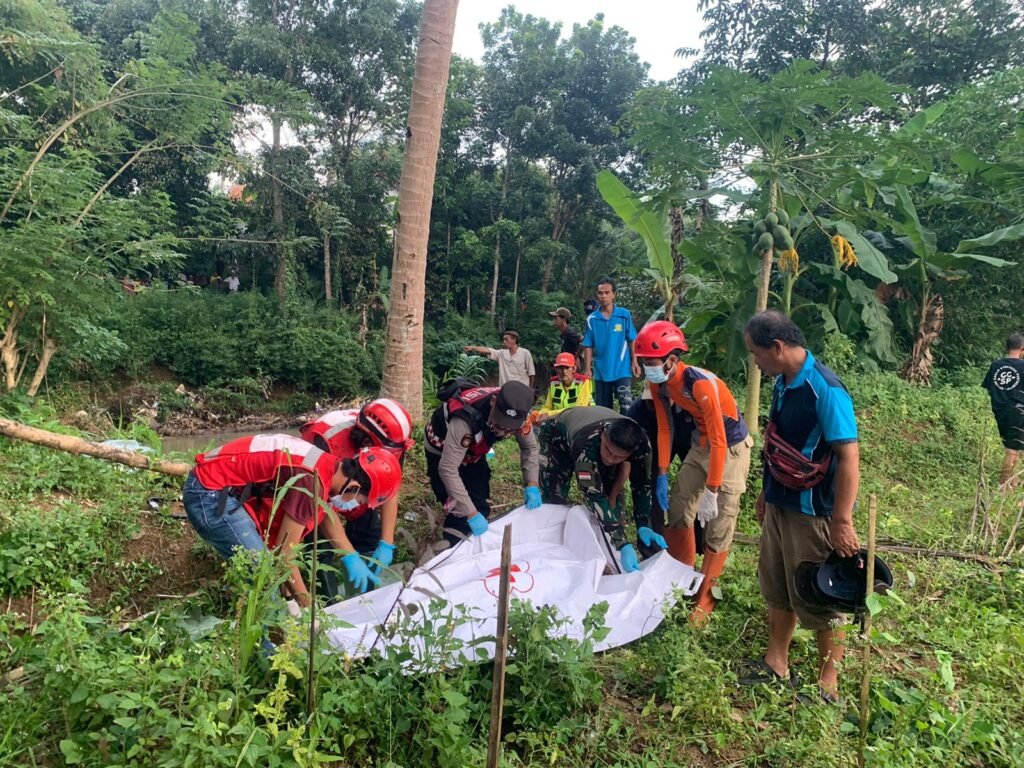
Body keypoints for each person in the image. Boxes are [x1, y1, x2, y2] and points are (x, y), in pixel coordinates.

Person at [741, 310, 860, 701]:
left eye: (757, 353)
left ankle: (829, 685)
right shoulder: (783, 382)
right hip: (780, 502)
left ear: (777, 347)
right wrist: (766, 491)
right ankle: (776, 663)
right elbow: (777, 444)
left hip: (812, 512)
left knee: (819, 593)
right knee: (778, 586)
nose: (755, 362)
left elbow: (848, 457)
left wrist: (842, 520)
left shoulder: (825, 388)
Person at [182, 434, 403, 608]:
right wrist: (308, 609)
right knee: (264, 579)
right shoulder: (312, 481)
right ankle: (267, 649)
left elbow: (323, 512)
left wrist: (350, 556)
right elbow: (284, 557)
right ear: (353, 487)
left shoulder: (327, 467)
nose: (355, 506)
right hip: (208, 493)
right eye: (360, 501)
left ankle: (282, 622)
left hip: (220, 485)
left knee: (273, 580)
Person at [635, 320, 753, 624]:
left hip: (730, 448)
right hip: (701, 445)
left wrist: (712, 490)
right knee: (678, 506)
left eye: (652, 361)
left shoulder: (700, 384)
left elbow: (720, 440)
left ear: (672, 359)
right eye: (644, 361)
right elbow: (664, 428)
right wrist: (662, 472)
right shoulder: (659, 384)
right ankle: (681, 576)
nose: (647, 367)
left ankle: (706, 596)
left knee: (719, 523)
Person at [300, 398, 415, 595]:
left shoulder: (394, 445)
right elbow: (320, 505)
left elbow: (389, 488)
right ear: (366, 442)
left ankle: (363, 599)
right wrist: (349, 555)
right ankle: (325, 604)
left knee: (369, 537)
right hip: (315, 491)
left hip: (358, 489)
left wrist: (387, 542)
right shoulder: (324, 441)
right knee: (320, 550)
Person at [537, 406, 665, 572]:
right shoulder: (585, 443)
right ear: (604, 435)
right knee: (554, 499)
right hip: (557, 438)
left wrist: (643, 524)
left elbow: (642, 486)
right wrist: (622, 543)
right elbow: (594, 496)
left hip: (594, 443)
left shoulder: (642, 446)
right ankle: (552, 554)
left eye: (619, 457)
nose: (610, 459)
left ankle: (609, 559)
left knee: (612, 503)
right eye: (608, 451)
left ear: (631, 453)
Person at [424, 380, 541, 544]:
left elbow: (529, 447)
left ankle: (476, 545)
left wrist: (532, 484)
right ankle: (453, 547)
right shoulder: (465, 418)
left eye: (510, 428)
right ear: (493, 402)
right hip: (442, 448)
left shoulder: (521, 412)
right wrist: (470, 514)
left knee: (480, 503)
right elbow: (448, 469)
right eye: (500, 423)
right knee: (458, 513)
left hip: (475, 451)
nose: (504, 431)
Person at [626, 387, 695, 557]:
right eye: (650, 400)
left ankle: (693, 545)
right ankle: (652, 550)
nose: (654, 404)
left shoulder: (689, 404)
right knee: (649, 491)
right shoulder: (637, 411)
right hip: (654, 447)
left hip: (689, 442)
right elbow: (633, 455)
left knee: (694, 491)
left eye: (659, 399)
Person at [582, 278, 640, 413]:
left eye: (607, 292)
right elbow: (588, 345)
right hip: (601, 371)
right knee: (603, 411)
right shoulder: (592, 319)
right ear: (597, 295)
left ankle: (626, 427)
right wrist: (587, 368)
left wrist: (635, 361)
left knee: (626, 407)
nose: (603, 296)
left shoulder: (624, 315)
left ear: (614, 294)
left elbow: (632, 339)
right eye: (600, 293)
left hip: (622, 369)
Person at [982, 333, 1024, 488]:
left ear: (1007, 347)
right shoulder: (1022, 366)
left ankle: (1014, 479)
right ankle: (1003, 485)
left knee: (1014, 445)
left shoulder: (995, 365)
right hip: (1018, 410)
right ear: (1022, 349)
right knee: (1012, 450)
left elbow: (989, 388)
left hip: (999, 411)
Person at [464, 329, 536, 388]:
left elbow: (531, 373)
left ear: (514, 339)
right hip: (505, 390)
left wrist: (530, 389)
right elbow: (488, 350)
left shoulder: (525, 353)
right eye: (503, 340)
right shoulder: (501, 353)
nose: (504, 342)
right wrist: (473, 348)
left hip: (522, 389)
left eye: (506, 339)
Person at [535, 352, 594, 421]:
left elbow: (579, 409)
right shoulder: (553, 383)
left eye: (567, 368)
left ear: (574, 369)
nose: (564, 372)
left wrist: (550, 414)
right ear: (556, 369)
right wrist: (538, 414)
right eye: (560, 368)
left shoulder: (583, 381)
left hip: (584, 420)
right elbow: (548, 407)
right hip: (562, 420)